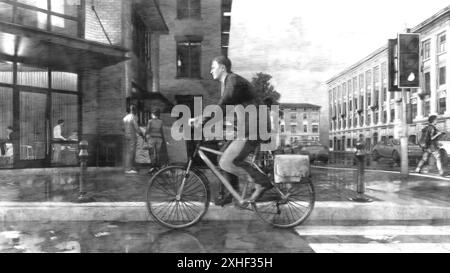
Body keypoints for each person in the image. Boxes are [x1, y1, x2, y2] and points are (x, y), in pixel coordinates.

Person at [190, 56, 272, 206]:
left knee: (228, 160)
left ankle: (261, 183)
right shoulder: (229, 82)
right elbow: (229, 109)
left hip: (254, 127)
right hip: (248, 125)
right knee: (223, 153)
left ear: (222, 68)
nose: (210, 71)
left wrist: (202, 119)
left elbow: (223, 104)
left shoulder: (233, 81)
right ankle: (231, 192)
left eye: (213, 67)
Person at [123, 105, 146, 174]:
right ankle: (128, 169)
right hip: (132, 136)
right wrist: (142, 135)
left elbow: (123, 128)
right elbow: (137, 128)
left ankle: (129, 167)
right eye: (135, 110)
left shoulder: (125, 117)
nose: (136, 111)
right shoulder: (132, 117)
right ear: (134, 110)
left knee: (128, 152)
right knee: (131, 152)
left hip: (126, 136)